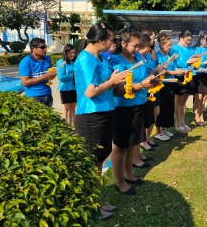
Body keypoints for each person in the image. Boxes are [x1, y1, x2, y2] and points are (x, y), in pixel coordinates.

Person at [73, 22, 128, 219]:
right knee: (92, 163)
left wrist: (116, 80)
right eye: (112, 39)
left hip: (104, 113)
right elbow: (89, 91)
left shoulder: (101, 58)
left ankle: (98, 202)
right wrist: (112, 82)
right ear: (102, 40)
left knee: (98, 161)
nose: (114, 42)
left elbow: (105, 83)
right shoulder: (86, 59)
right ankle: (92, 206)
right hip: (91, 117)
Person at [110, 27, 155, 195]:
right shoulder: (116, 61)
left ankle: (128, 173)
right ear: (123, 43)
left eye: (139, 46)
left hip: (139, 104)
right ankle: (119, 181)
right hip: (123, 108)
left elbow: (144, 75)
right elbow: (120, 89)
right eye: (135, 46)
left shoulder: (137, 58)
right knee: (121, 146)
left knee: (133, 143)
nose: (137, 49)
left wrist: (154, 75)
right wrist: (142, 85)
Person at [154, 32, 180, 140]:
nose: (170, 47)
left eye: (171, 45)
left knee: (168, 108)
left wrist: (177, 71)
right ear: (161, 45)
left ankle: (163, 129)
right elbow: (161, 70)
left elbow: (173, 67)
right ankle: (158, 131)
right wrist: (174, 72)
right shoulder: (157, 54)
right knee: (161, 107)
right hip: (162, 84)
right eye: (168, 45)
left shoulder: (169, 55)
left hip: (171, 83)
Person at [171, 30, 198, 133]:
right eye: (187, 40)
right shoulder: (175, 49)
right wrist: (187, 61)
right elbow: (176, 63)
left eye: (190, 40)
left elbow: (193, 61)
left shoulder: (190, 49)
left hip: (190, 75)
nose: (189, 42)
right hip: (180, 76)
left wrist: (195, 60)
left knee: (184, 102)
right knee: (178, 101)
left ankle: (182, 121)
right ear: (181, 38)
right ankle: (177, 123)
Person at [19, 38, 56, 107]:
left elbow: (48, 77)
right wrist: (44, 76)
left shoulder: (47, 59)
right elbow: (24, 82)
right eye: (42, 47)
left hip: (47, 94)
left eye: (45, 47)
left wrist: (52, 75)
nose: (45, 49)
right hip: (34, 97)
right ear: (33, 49)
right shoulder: (26, 62)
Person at [192, 31, 207, 126]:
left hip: (206, 74)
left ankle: (201, 116)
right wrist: (206, 62)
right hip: (198, 74)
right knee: (199, 97)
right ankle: (197, 117)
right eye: (206, 40)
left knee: (204, 97)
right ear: (201, 39)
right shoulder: (195, 49)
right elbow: (194, 63)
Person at [56, 44, 77, 126]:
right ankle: (64, 128)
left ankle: (72, 127)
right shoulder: (61, 63)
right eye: (70, 53)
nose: (72, 55)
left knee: (73, 109)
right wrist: (71, 75)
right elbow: (61, 77)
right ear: (66, 53)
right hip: (65, 89)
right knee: (65, 110)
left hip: (74, 88)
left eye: (74, 53)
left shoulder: (75, 62)